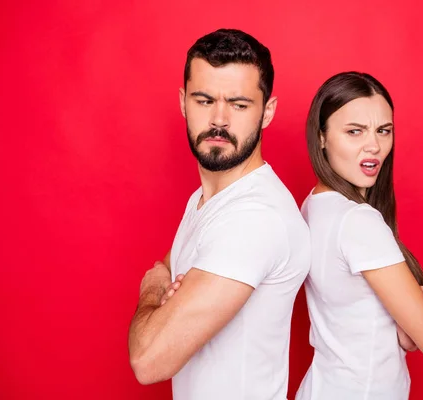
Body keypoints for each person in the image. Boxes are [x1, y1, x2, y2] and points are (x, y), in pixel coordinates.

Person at [128, 29, 310, 400]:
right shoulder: (209, 199)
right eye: (204, 100)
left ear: (268, 111)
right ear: (183, 102)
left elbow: (148, 360)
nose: (219, 119)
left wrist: (151, 288)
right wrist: (165, 282)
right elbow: (171, 264)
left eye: (240, 105)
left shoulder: (254, 218)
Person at [295, 72, 423, 400]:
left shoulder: (312, 205)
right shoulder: (358, 221)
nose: (374, 146)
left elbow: (352, 317)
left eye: (384, 130)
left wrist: (405, 325)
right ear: (321, 137)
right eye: (355, 131)